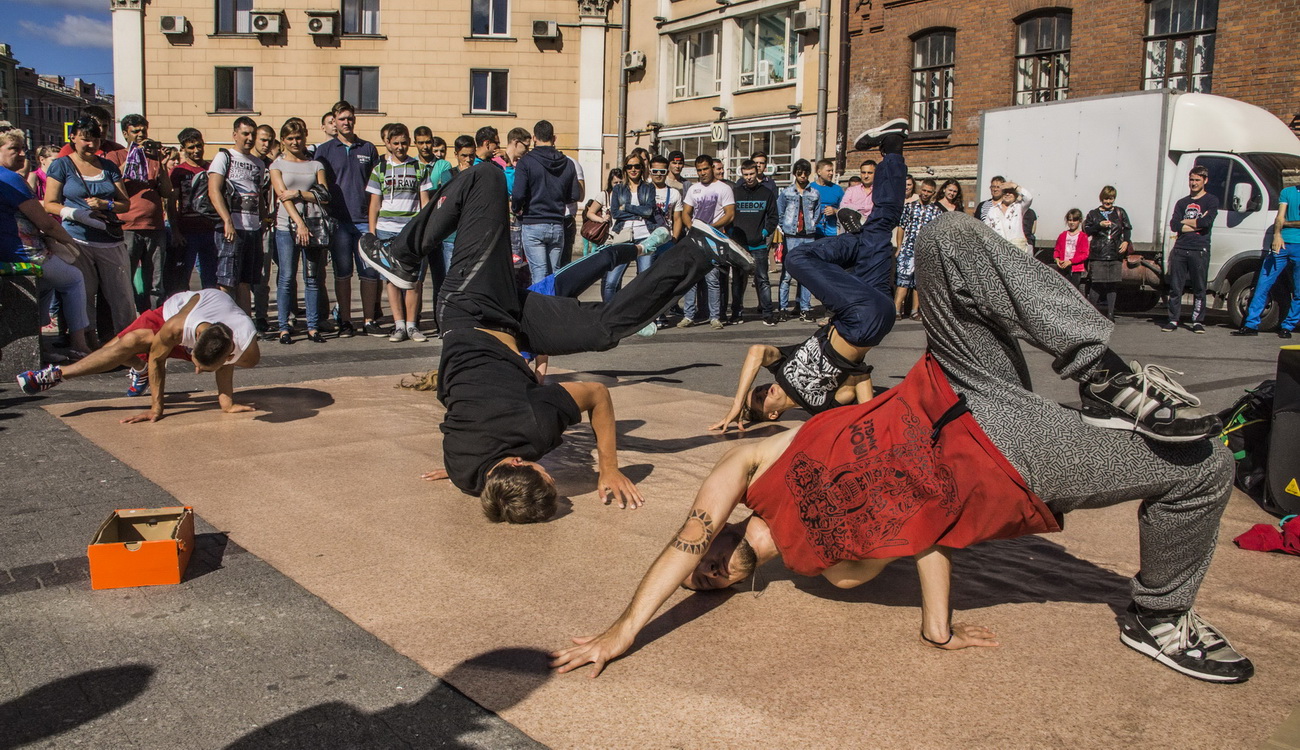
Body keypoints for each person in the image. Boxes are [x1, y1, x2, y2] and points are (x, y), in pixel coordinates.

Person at [552, 212, 1251, 687]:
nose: (703, 570)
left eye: (698, 569)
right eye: (710, 581)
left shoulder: (750, 467)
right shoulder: (834, 572)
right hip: (1009, 459)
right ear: (737, 581)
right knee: (1205, 468)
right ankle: (1159, 614)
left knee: (947, 235)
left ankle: (1100, 368)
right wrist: (937, 631)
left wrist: (620, 631)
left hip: (952, 378)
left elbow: (681, 541)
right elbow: (924, 537)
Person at [358, 160, 753, 522]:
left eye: (542, 473)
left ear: (516, 464)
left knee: (488, 176)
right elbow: (460, 431)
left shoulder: (533, 428)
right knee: (604, 331)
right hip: (515, 325)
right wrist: (461, 466)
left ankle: (402, 254)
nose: (549, 469)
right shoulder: (467, 475)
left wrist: (609, 468)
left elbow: (597, 394)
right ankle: (699, 252)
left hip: (471, 306)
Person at [711, 134, 906, 432]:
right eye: (761, 399)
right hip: (864, 323)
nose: (765, 391)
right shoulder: (818, 407)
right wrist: (871, 423)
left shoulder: (783, 369)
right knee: (798, 259)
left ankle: (893, 150)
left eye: (759, 388)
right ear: (773, 415)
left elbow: (757, 352)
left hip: (855, 312)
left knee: (881, 224)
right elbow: (858, 378)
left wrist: (736, 403)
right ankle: (855, 239)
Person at [18, 290, 261, 425]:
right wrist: (156, 408)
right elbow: (158, 360)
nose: (197, 371)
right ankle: (57, 374)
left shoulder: (247, 349)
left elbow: (225, 363)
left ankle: (136, 366)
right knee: (124, 345)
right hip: (168, 314)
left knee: (124, 348)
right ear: (193, 344)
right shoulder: (176, 327)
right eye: (196, 364)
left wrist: (226, 403)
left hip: (215, 337)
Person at [43, 116, 136, 343]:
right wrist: (75, 213)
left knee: (122, 295)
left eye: (96, 139)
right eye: (85, 139)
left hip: (109, 239)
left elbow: (125, 203)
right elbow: (49, 203)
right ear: (73, 137)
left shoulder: (108, 166)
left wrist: (107, 204)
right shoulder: (61, 165)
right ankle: (86, 340)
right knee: (83, 294)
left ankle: (129, 341)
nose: (91, 144)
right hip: (77, 240)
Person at [1, 130, 92, 358]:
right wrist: (73, 245)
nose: (23, 153)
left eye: (23, 148)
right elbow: (46, 224)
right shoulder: (11, 179)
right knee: (73, 278)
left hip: (7, 253)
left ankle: (39, 347)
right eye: (14, 149)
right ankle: (80, 344)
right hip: (22, 254)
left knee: (48, 284)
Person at [315, 100, 383, 337]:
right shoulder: (323, 151)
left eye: (350, 118)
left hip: (365, 220)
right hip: (338, 221)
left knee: (369, 272)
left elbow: (377, 187)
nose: (346, 122)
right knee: (343, 273)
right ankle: (345, 320)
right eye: (341, 118)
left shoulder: (368, 148)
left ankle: (368, 320)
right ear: (334, 121)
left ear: (355, 119)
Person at [365, 122, 432, 343]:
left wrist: (423, 230)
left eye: (404, 142)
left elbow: (425, 203)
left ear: (409, 142)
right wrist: (373, 233)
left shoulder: (419, 168)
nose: (401, 147)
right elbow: (374, 204)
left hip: (411, 231)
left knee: (413, 280)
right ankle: (399, 325)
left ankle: (412, 325)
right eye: (396, 143)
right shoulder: (380, 170)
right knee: (392, 279)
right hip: (386, 231)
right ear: (389, 144)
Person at [106, 114, 175, 313]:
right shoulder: (116, 156)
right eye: (135, 131)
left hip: (154, 227)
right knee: (124, 278)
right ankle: (127, 319)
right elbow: (110, 182)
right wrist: (132, 156)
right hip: (127, 226)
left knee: (156, 280)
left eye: (143, 130)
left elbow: (167, 192)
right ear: (125, 133)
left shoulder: (154, 157)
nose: (140, 135)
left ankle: (153, 319)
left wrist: (162, 164)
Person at [269, 117, 329, 344]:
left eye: (299, 137)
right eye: (290, 138)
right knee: (286, 277)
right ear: (283, 140)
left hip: (314, 226)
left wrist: (299, 194)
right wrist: (298, 223)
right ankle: (284, 327)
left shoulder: (316, 165)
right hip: (287, 227)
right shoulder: (277, 165)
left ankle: (313, 327)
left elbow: (324, 196)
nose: (295, 142)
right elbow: (282, 196)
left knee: (312, 278)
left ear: (305, 137)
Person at [207, 116, 267, 314]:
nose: (249, 138)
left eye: (252, 134)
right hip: (231, 229)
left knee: (245, 281)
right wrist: (227, 221)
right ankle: (223, 322)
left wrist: (262, 221)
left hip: (253, 229)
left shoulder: (259, 163)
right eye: (245, 134)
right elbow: (214, 190)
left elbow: (258, 196)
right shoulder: (224, 157)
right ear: (235, 135)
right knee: (226, 280)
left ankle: (244, 324)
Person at [513, 120, 580, 285]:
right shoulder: (568, 163)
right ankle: (553, 309)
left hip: (533, 222)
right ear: (554, 138)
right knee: (555, 274)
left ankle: (538, 310)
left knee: (538, 275)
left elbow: (518, 194)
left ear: (534, 137)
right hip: (557, 224)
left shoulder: (526, 162)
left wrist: (517, 209)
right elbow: (574, 194)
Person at [1234, 178, 1300, 338]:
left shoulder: (1288, 193)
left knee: (1299, 290)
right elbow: (1279, 218)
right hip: (1281, 243)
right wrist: (1277, 234)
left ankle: (1288, 326)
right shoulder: (1288, 192)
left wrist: (1286, 224)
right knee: (1263, 283)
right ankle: (1251, 324)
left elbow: (1283, 220)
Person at [679, 154, 735, 330]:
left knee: (713, 279)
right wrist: (692, 228)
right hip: (695, 239)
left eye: (705, 169)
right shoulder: (693, 189)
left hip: (713, 239)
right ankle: (688, 315)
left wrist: (710, 227)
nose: (702, 173)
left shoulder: (723, 188)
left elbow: (730, 214)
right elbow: (686, 212)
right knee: (691, 279)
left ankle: (715, 317)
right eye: (699, 170)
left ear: (712, 167)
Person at [1163, 166, 1219, 334]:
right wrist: (1194, 225)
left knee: (1199, 287)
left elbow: (1205, 223)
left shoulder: (1211, 201)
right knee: (1175, 287)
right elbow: (1174, 225)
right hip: (1180, 248)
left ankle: (1197, 321)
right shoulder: (1182, 202)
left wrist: (1185, 224)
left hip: (1199, 249)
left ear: (1205, 181)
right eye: (1191, 180)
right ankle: (1173, 319)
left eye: (1197, 180)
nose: (1193, 183)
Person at [167, 128, 219, 293]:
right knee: (182, 277)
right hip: (187, 232)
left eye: (199, 146)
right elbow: (171, 203)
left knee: (211, 279)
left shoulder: (212, 168)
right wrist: (175, 231)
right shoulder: (178, 171)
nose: (196, 151)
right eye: (191, 147)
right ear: (183, 148)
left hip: (211, 230)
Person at [728, 159, 778, 325]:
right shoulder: (736, 192)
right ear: (741, 174)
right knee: (737, 281)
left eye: (751, 174)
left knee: (762, 279)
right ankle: (736, 313)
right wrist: (731, 234)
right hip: (739, 246)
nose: (749, 178)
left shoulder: (766, 193)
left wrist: (764, 232)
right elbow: (728, 215)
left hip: (758, 245)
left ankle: (768, 314)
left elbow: (773, 217)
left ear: (757, 173)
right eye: (746, 174)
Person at [602, 154, 655, 301]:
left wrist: (626, 207)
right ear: (625, 169)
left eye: (637, 166)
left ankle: (642, 317)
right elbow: (615, 213)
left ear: (642, 168)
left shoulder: (648, 187)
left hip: (644, 236)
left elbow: (649, 211)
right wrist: (639, 214)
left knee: (644, 281)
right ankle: (609, 316)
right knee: (611, 281)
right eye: (629, 166)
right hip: (623, 235)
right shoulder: (618, 189)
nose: (633, 169)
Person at [776, 159, 819, 322]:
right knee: (787, 274)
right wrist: (785, 227)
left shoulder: (814, 193)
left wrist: (812, 224)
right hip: (791, 236)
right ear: (795, 173)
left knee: (806, 274)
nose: (802, 176)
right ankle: (782, 308)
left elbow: (817, 211)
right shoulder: (786, 192)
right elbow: (780, 212)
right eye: (799, 173)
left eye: (805, 173)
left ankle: (805, 308)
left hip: (808, 236)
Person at [894, 177, 942, 320]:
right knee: (903, 279)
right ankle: (896, 309)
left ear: (933, 193)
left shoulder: (936, 211)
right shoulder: (909, 207)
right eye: (924, 190)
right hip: (908, 248)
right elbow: (901, 227)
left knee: (918, 283)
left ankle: (915, 311)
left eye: (929, 192)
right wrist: (899, 246)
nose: (926, 194)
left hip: (924, 251)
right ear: (920, 189)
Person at [1082, 186, 1132, 322]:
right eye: (1105, 198)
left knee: (1112, 284)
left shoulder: (1120, 212)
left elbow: (1127, 228)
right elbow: (1087, 231)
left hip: (1115, 252)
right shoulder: (1093, 214)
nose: (1108, 201)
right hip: (1098, 252)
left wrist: (1126, 242)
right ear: (1101, 198)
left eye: (1110, 198)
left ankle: (1110, 314)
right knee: (1096, 283)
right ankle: (1091, 313)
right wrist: (1099, 225)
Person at [982, 180, 1034, 252]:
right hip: (999, 250)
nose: (1007, 194)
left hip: (1017, 250)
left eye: (1011, 192)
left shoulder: (1019, 207)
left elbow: (1029, 197)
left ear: (1015, 195)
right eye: (1005, 192)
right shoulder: (993, 210)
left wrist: (1014, 186)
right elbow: (986, 230)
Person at [56, 105, 124, 159]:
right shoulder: (69, 150)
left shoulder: (116, 149)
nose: (101, 130)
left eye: (105, 126)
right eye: (97, 125)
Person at [1054, 208, 1090, 289]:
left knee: (1073, 289)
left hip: (1076, 269)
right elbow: (1057, 250)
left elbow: (1084, 254)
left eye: (1074, 220)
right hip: (1063, 268)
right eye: (1070, 220)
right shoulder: (1062, 235)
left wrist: (1070, 262)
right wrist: (1057, 260)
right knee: (1062, 289)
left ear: (1079, 221)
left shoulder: (1083, 236)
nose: (1072, 222)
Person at [839, 159, 876, 232]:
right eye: (863, 172)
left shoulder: (880, 191)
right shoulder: (851, 190)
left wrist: (856, 208)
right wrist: (867, 208)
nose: (866, 176)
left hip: (873, 230)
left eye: (869, 173)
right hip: (854, 231)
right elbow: (843, 208)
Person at [811, 158, 843, 239]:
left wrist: (835, 211)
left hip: (832, 233)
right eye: (828, 171)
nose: (831, 173)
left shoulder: (837, 189)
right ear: (819, 172)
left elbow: (845, 211)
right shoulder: (810, 188)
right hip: (812, 232)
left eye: (832, 171)